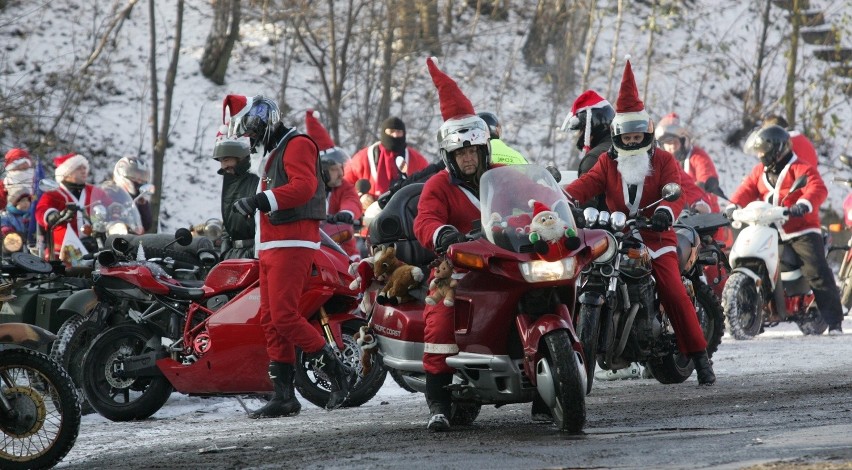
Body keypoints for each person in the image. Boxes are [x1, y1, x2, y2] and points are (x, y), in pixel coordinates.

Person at [564, 59, 716, 386]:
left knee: (673, 292)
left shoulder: (663, 160)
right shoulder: (606, 162)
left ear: (646, 134)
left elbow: (673, 194)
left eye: (637, 135)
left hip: (656, 237)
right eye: (627, 136)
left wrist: (665, 214)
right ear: (618, 135)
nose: (632, 141)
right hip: (616, 236)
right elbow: (585, 184)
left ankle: (701, 359)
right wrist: (559, 197)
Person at [227, 94, 354, 418]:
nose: (251, 140)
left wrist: (258, 201)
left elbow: (304, 187)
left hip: (292, 242)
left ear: (263, 124)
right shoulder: (275, 149)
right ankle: (284, 396)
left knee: (284, 316)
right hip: (272, 244)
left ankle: (337, 371)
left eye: (252, 133)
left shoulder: (297, 144)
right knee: (272, 321)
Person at [413, 58, 491, 432]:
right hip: (455, 268)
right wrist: (441, 233)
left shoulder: (501, 177)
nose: (469, 158)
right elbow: (424, 219)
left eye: (474, 151)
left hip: (503, 261)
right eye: (462, 153)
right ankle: (439, 403)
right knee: (440, 318)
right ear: (451, 155)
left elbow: (529, 201)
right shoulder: (438, 185)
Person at [727, 125, 843, 335]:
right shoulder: (759, 172)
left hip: (801, 229)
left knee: (816, 270)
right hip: (768, 226)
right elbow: (746, 190)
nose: (760, 155)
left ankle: (834, 322)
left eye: (763, 150)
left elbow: (817, 187)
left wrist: (804, 204)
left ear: (777, 148)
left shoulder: (800, 167)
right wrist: (733, 205)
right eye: (758, 151)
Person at [305, 109, 363, 260]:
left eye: (340, 168)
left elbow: (352, 201)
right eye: (333, 169)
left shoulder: (344, 186)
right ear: (321, 170)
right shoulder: (306, 189)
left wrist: (346, 213)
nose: (340, 173)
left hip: (343, 251)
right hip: (311, 247)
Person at [35, 153, 107, 258]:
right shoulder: (54, 193)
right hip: (63, 251)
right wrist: (52, 215)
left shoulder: (94, 191)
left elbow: (111, 206)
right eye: (78, 168)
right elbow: (41, 210)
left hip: (94, 246)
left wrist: (117, 210)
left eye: (84, 168)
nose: (84, 171)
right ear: (66, 173)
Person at [343, 116, 429, 201]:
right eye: (391, 132)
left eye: (399, 132)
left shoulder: (417, 160)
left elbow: (429, 185)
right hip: (370, 211)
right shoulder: (362, 158)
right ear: (384, 133)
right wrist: (360, 198)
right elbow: (345, 186)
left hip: (405, 210)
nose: (395, 135)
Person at [561, 90, 615, 211]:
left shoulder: (594, 157)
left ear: (591, 127)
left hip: (604, 227)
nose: (578, 135)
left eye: (580, 130)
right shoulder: (620, 149)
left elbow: (584, 205)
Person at [213, 136, 259, 260]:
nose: (223, 166)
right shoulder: (230, 180)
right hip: (233, 254)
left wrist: (255, 251)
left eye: (226, 159)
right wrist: (225, 252)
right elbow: (228, 222)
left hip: (254, 254)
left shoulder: (257, 178)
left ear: (240, 157)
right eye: (221, 161)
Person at [113, 156, 154, 232]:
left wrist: (143, 205)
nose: (139, 181)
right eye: (134, 176)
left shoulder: (140, 198)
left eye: (142, 177)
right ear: (121, 172)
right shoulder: (110, 192)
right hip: (111, 232)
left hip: (132, 238)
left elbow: (147, 224)